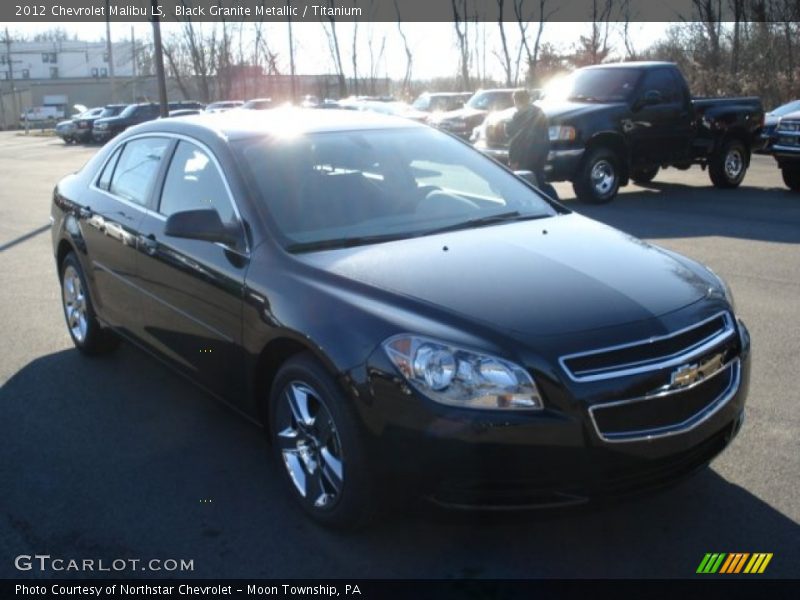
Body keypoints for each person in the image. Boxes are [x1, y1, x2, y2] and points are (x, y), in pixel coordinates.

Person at [505, 89, 556, 198]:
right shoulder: (539, 113)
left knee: (525, 183)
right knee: (539, 179)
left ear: (517, 100)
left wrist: (513, 159)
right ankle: (552, 200)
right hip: (540, 152)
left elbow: (516, 141)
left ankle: (546, 202)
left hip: (524, 156)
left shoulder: (519, 117)